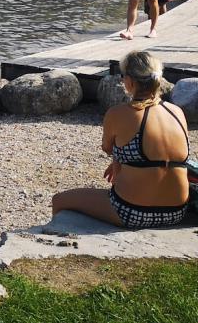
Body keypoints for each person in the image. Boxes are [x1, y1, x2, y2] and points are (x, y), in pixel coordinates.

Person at [51, 51, 190, 229]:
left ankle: (54, 237)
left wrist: (120, 160)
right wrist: (127, 161)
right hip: (177, 211)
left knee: (59, 200)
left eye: (123, 76)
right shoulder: (176, 112)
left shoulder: (118, 113)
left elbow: (108, 147)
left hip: (132, 211)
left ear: (130, 82)